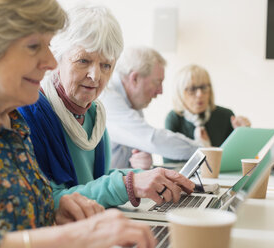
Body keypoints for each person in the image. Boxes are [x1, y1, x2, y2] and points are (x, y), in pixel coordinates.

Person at [0, 1, 155, 247]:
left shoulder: (13, 124)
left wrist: (54, 209)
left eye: (48, 45)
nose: (51, 62)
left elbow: (16, 216)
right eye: (33, 46)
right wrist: (66, 236)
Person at [18, 6, 195, 210]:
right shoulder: (31, 114)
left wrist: (150, 178)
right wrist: (129, 184)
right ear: (56, 59)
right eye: (83, 60)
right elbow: (50, 202)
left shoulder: (95, 114)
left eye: (106, 66)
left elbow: (96, 181)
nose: (95, 76)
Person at [100, 46, 203, 169]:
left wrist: (142, 163)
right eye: (157, 82)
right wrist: (204, 152)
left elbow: (143, 148)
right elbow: (152, 140)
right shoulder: (106, 97)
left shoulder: (133, 102)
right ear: (135, 78)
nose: (160, 91)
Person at [164, 64, 251, 163]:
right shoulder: (174, 118)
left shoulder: (225, 115)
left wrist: (243, 134)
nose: (200, 94)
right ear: (179, 93)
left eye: (204, 87)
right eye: (192, 89)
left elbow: (237, 159)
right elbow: (169, 162)